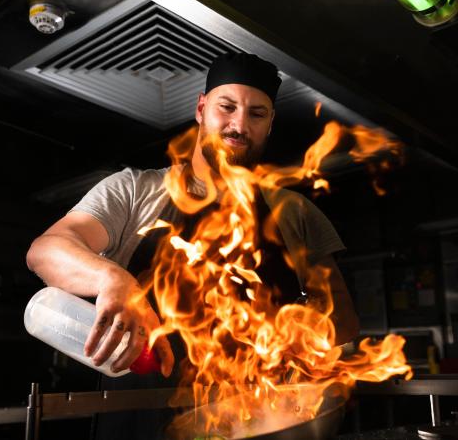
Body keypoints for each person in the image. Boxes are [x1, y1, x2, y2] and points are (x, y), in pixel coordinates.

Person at [25, 52, 359, 437]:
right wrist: (113, 281)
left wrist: (294, 335)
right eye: (227, 107)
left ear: (270, 125)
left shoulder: (296, 213)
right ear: (201, 108)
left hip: (255, 424)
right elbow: (45, 250)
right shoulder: (135, 190)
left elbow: (344, 320)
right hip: (139, 423)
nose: (238, 125)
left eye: (257, 114)